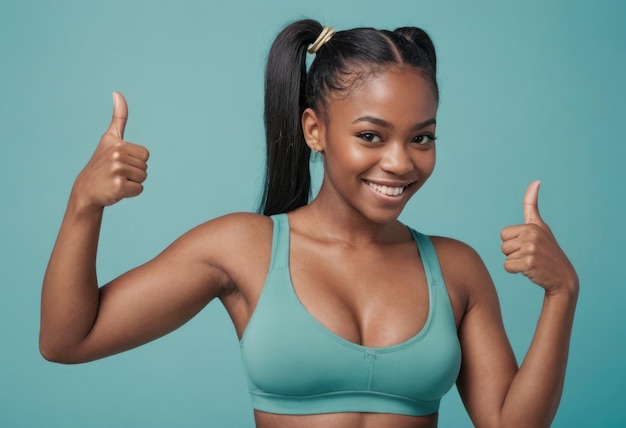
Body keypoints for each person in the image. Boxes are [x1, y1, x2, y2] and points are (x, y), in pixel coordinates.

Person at [39, 19, 578, 428]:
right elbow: (68, 340)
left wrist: (562, 294)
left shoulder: (457, 268)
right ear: (315, 130)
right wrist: (83, 205)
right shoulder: (244, 248)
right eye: (371, 135)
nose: (400, 161)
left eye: (422, 137)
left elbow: (511, 424)